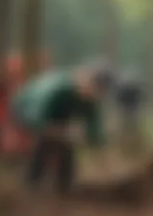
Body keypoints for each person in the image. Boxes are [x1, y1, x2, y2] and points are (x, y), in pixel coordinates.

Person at [10, 60, 113, 195]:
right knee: (46, 143)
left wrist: (104, 165)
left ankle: (64, 187)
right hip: (27, 109)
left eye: (99, 91)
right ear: (83, 78)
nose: (94, 94)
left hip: (57, 118)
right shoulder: (56, 89)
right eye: (94, 87)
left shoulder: (90, 101)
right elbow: (35, 119)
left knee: (67, 145)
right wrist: (62, 132)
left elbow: (95, 132)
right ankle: (31, 183)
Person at [115, 70, 145, 157]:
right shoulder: (123, 88)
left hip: (131, 107)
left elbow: (139, 98)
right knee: (126, 124)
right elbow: (119, 99)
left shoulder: (134, 89)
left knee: (132, 124)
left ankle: (134, 141)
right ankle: (126, 142)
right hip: (126, 108)